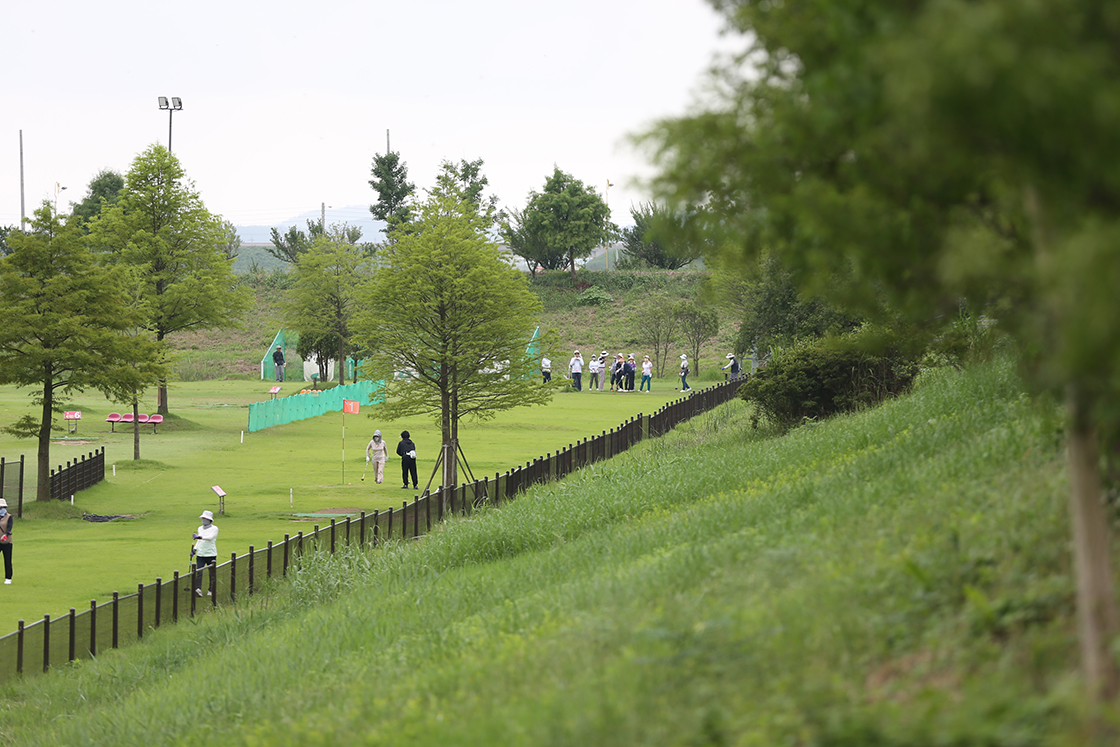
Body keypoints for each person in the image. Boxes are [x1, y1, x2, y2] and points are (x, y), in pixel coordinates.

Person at [192, 510, 219, 596]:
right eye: (203, 518)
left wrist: (200, 537)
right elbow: (200, 541)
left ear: (209, 520)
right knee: (199, 571)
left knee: (211, 573)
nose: (203, 520)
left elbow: (210, 537)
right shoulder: (200, 528)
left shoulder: (214, 528)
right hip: (201, 553)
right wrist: (195, 549)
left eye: (205, 518)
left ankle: (211, 589)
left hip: (210, 553)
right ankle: (198, 589)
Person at [0, 499, 13, 585]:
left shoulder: (9, 516)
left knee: (7, 560)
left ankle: (8, 577)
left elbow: (9, 527)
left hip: (6, 541)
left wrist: (6, 535)